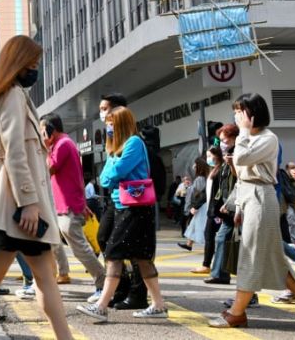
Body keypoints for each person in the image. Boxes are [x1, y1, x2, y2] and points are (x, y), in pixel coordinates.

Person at [0, 35, 71, 340]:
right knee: (41, 278)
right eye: (32, 63)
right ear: (18, 63)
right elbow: (14, 152)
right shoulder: (12, 95)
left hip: (0, 204)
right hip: (18, 206)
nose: (35, 69)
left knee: (4, 278)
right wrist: (29, 202)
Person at [208, 93, 295, 328]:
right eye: (235, 111)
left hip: (261, 198)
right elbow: (241, 176)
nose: (236, 115)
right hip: (249, 197)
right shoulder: (249, 137)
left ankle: (237, 312)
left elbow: (243, 159)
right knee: (275, 260)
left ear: (253, 113)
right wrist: (237, 206)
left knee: (251, 256)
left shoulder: (267, 138)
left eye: (240, 111)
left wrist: (244, 132)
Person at [77, 107, 168, 322]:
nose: (108, 127)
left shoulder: (134, 143)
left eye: (111, 123)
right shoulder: (114, 148)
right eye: (107, 123)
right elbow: (105, 180)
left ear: (122, 124)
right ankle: (158, 305)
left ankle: (101, 306)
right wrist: (113, 165)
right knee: (142, 259)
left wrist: (113, 168)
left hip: (135, 209)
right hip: (124, 208)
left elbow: (115, 173)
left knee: (114, 254)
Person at [40, 113, 106, 304]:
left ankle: (103, 282)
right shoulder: (61, 145)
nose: (41, 134)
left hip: (69, 206)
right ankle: (62, 274)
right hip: (63, 205)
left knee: (80, 248)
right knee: (67, 245)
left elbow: (48, 169)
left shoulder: (62, 145)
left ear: (51, 129)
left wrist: (44, 147)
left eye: (43, 130)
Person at [205, 124, 239, 285]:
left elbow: (240, 180)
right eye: (221, 140)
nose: (222, 143)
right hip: (229, 208)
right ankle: (220, 274)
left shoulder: (239, 154)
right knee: (221, 238)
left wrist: (230, 203)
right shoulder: (227, 157)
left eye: (225, 140)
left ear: (234, 138)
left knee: (264, 244)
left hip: (238, 206)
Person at [190, 147, 224, 274]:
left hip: (218, 211)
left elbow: (221, 192)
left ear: (217, 155)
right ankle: (209, 265)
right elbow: (206, 192)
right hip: (212, 210)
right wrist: (196, 205)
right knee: (210, 236)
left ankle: (211, 266)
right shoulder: (213, 171)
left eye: (210, 156)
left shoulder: (222, 171)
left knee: (213, 237)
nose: (208, 159)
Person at [178, 158, 209, 251]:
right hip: (200, 206)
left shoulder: (200, 179)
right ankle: (189, 244)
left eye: (195, 164)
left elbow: (201, 195)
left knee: (201, 226)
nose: (193, 166)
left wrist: (195, 206)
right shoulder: (202, 178)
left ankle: (209, 246)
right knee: (194, 225)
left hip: (201, 206)